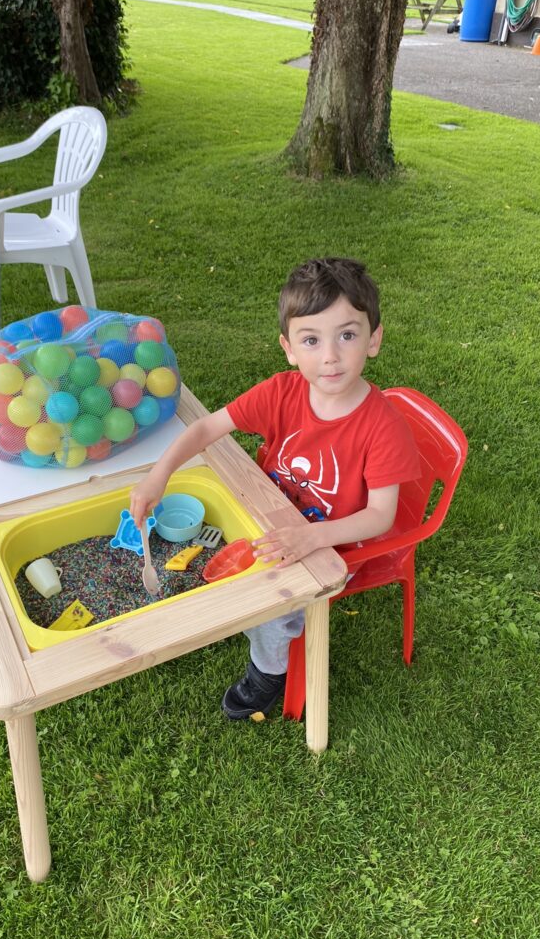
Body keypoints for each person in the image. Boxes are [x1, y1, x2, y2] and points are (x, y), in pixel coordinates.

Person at [130, 257, 421, 720]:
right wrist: (157, 476)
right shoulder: (282, 392)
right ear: (289, 348)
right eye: (312, 340)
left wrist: (312, 537)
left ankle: (268, 671)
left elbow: (381, 516)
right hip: (272, 514)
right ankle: (240, 614)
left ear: (374, 339)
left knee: (274, 604)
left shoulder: (382, 427)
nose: (330, 356)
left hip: (336, 544)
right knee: (212, 540)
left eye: (347, 335)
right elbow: (205, 429)